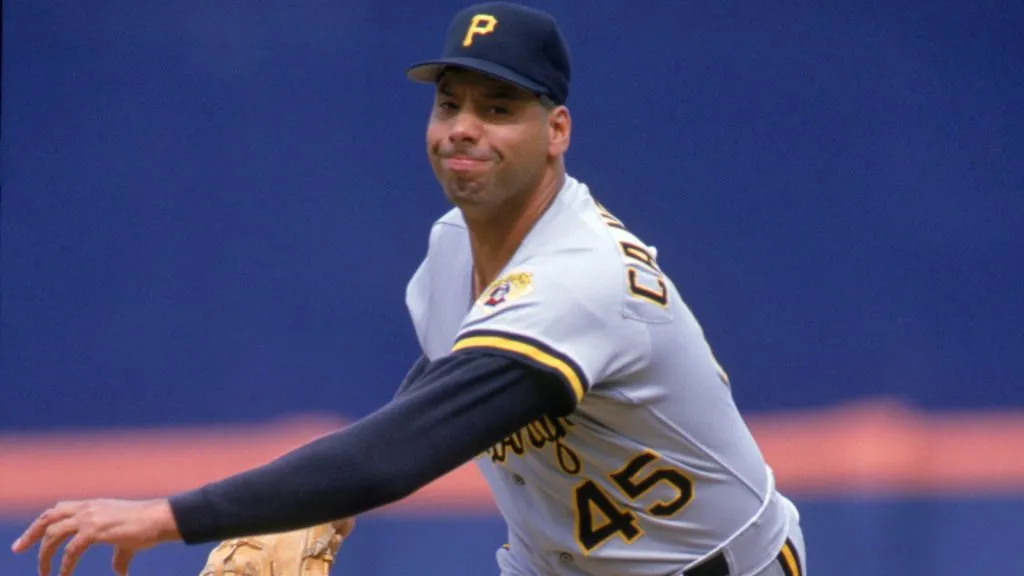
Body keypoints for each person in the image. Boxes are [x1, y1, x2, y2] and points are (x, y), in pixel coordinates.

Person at [11, 2, 807, 575]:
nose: (463, 126)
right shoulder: (457, 242)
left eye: (499, 108)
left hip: (709, 565)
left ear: (556, 131)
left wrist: (168, 517)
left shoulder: (581, 279)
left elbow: (405, 450)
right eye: (449, 102)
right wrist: (324, 500)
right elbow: (443, 379)